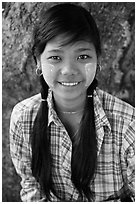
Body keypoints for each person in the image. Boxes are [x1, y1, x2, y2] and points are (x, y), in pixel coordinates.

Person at [9, 3, 135, 202]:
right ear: (38, 62)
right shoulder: (24, 117)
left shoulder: (129, 123)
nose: (68, 69)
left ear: (98, 60)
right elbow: (31, 187)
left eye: (83, 56)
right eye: (55, 57)